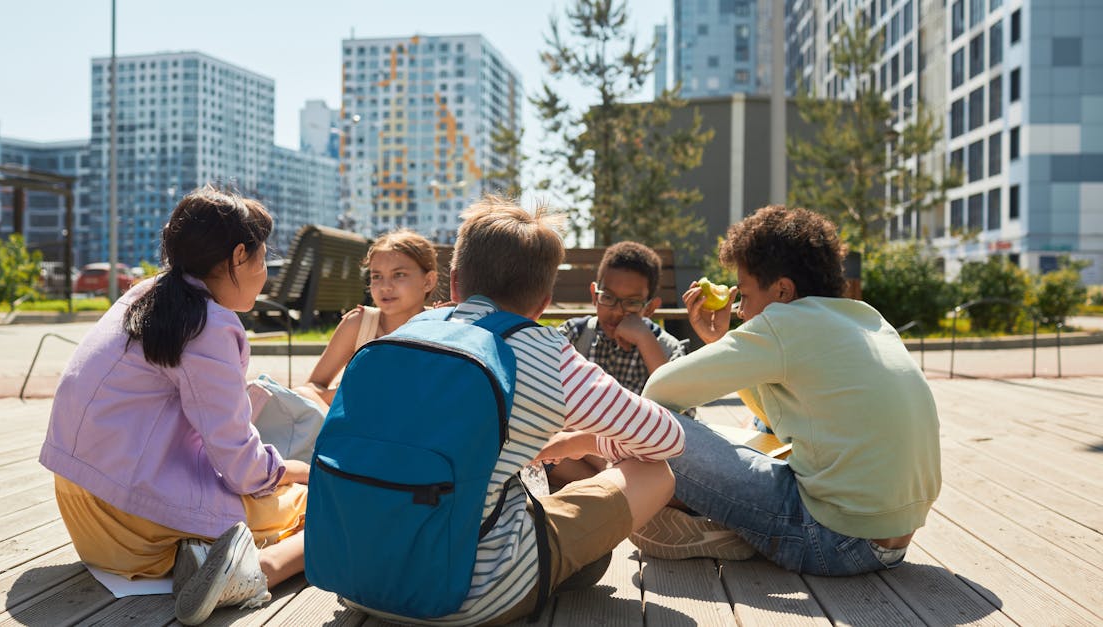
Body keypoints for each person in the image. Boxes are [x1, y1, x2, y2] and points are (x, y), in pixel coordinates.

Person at [343, 196, 685, 625]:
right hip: (466, 597)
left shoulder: (405, 333)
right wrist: (587, 439)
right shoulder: (548, 353)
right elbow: (669, 439)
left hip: (357, 575)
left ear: (452, 284)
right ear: (543, 303)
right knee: (654, 472)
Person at [39, 186, 309, 625]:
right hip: (132, 519)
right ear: (239, 257)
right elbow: (241, 464)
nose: (266, 275)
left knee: (269, 487)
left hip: (81, 504)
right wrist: (294, 471)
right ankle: (255, 568)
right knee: (314, 502)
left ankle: (200, 552)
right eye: (263, 260)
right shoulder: (210, 324)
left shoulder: (147, 296)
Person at [637, 205, 941, 576]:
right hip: (893, 541)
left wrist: (722, 345)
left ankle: (729, 525)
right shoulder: (865, 317)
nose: (741, 311)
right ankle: (731, 527)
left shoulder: (784, 322)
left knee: (644, 423)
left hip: (830, 540)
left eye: (744, 295)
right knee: (764, 422)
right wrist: (721, 341)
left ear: (782, 290)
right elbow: (785, 418)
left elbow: (657, 393)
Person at [298, 228, 438, 409]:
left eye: (399, 275)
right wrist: (353, 391)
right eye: (376, 276)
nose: (385, 286)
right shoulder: (359, 324)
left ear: (428, 281)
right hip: (359, 431)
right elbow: (311, 389)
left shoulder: (442, 326)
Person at [557, 241, 688, 394]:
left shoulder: (668, 349)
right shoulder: (573, 336)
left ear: (650, 308)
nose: (617, 311)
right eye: (608, 297)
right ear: (594, 295)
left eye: (632, 302)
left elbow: (685, 411)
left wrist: (645, 340)